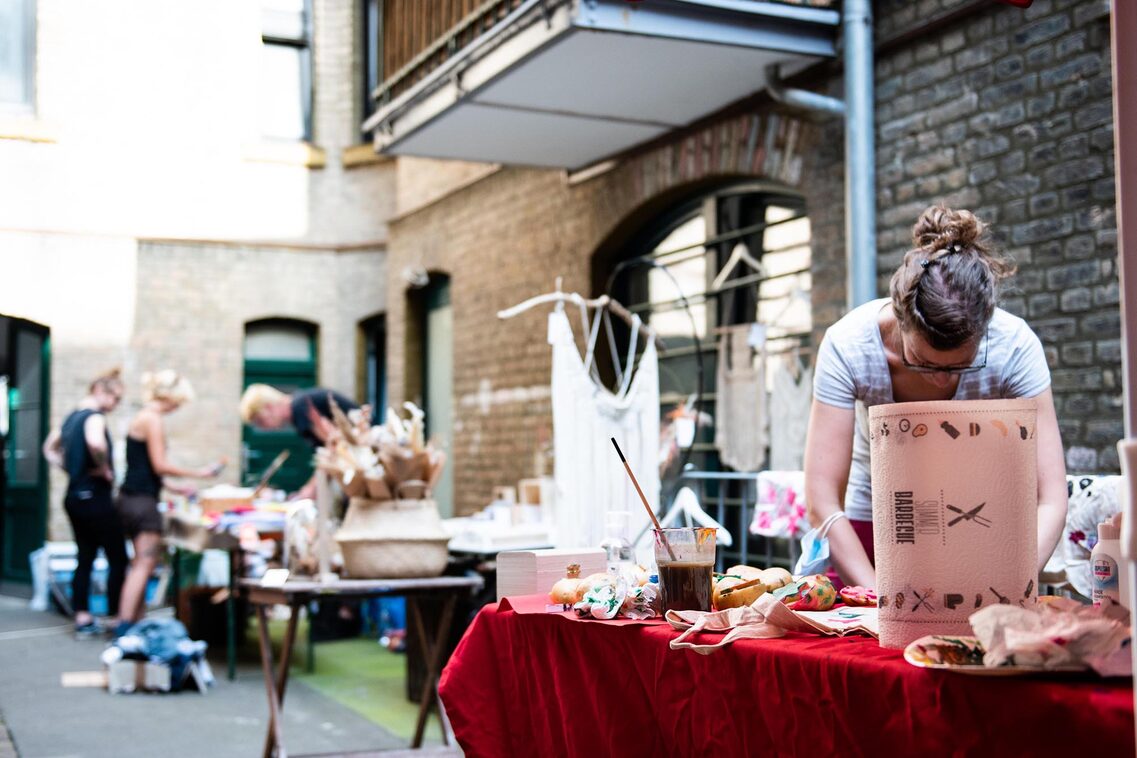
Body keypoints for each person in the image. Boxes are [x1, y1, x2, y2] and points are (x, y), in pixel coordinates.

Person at [803, 205, 1068, 589]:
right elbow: (822, 500)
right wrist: (881, 600)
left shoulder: (1014, 347)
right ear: (900, 320)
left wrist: (1012, 582)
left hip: (983, 520)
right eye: (923, 363)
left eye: (960, 367)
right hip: (875, 521)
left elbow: (1051, 499)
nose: (942, 382)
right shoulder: (849, 346)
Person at [114, 370, 223, 634]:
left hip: (129, 499)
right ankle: (125, 628)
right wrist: (201, 473)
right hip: (142, 504)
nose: (177, 408)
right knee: (144, 566)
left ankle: (135, 626)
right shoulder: (153, 419)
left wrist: (175, 488)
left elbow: (145, 470)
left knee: (138, 565)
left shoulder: (141, 417)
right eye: (179, 403)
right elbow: (159, 464)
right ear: (171, 397)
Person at [42, 369, 129, 636]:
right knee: (118, 557)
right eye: (116, 399)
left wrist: (70, 468)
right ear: (101, 391)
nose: (115, 406)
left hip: (74, 496)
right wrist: (104, 470)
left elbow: (48, 449)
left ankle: (82, 617)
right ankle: (117, 617)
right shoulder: (94, 417)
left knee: (85, 557)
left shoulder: (70, 418)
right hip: (95, 497)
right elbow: (95, 443)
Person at [239, 383, 359, 499]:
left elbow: (335, 448)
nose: (263, 428)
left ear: (269, 407)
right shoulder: (299, 407)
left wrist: (309, 491)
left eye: (260, 421)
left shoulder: (300, 409)